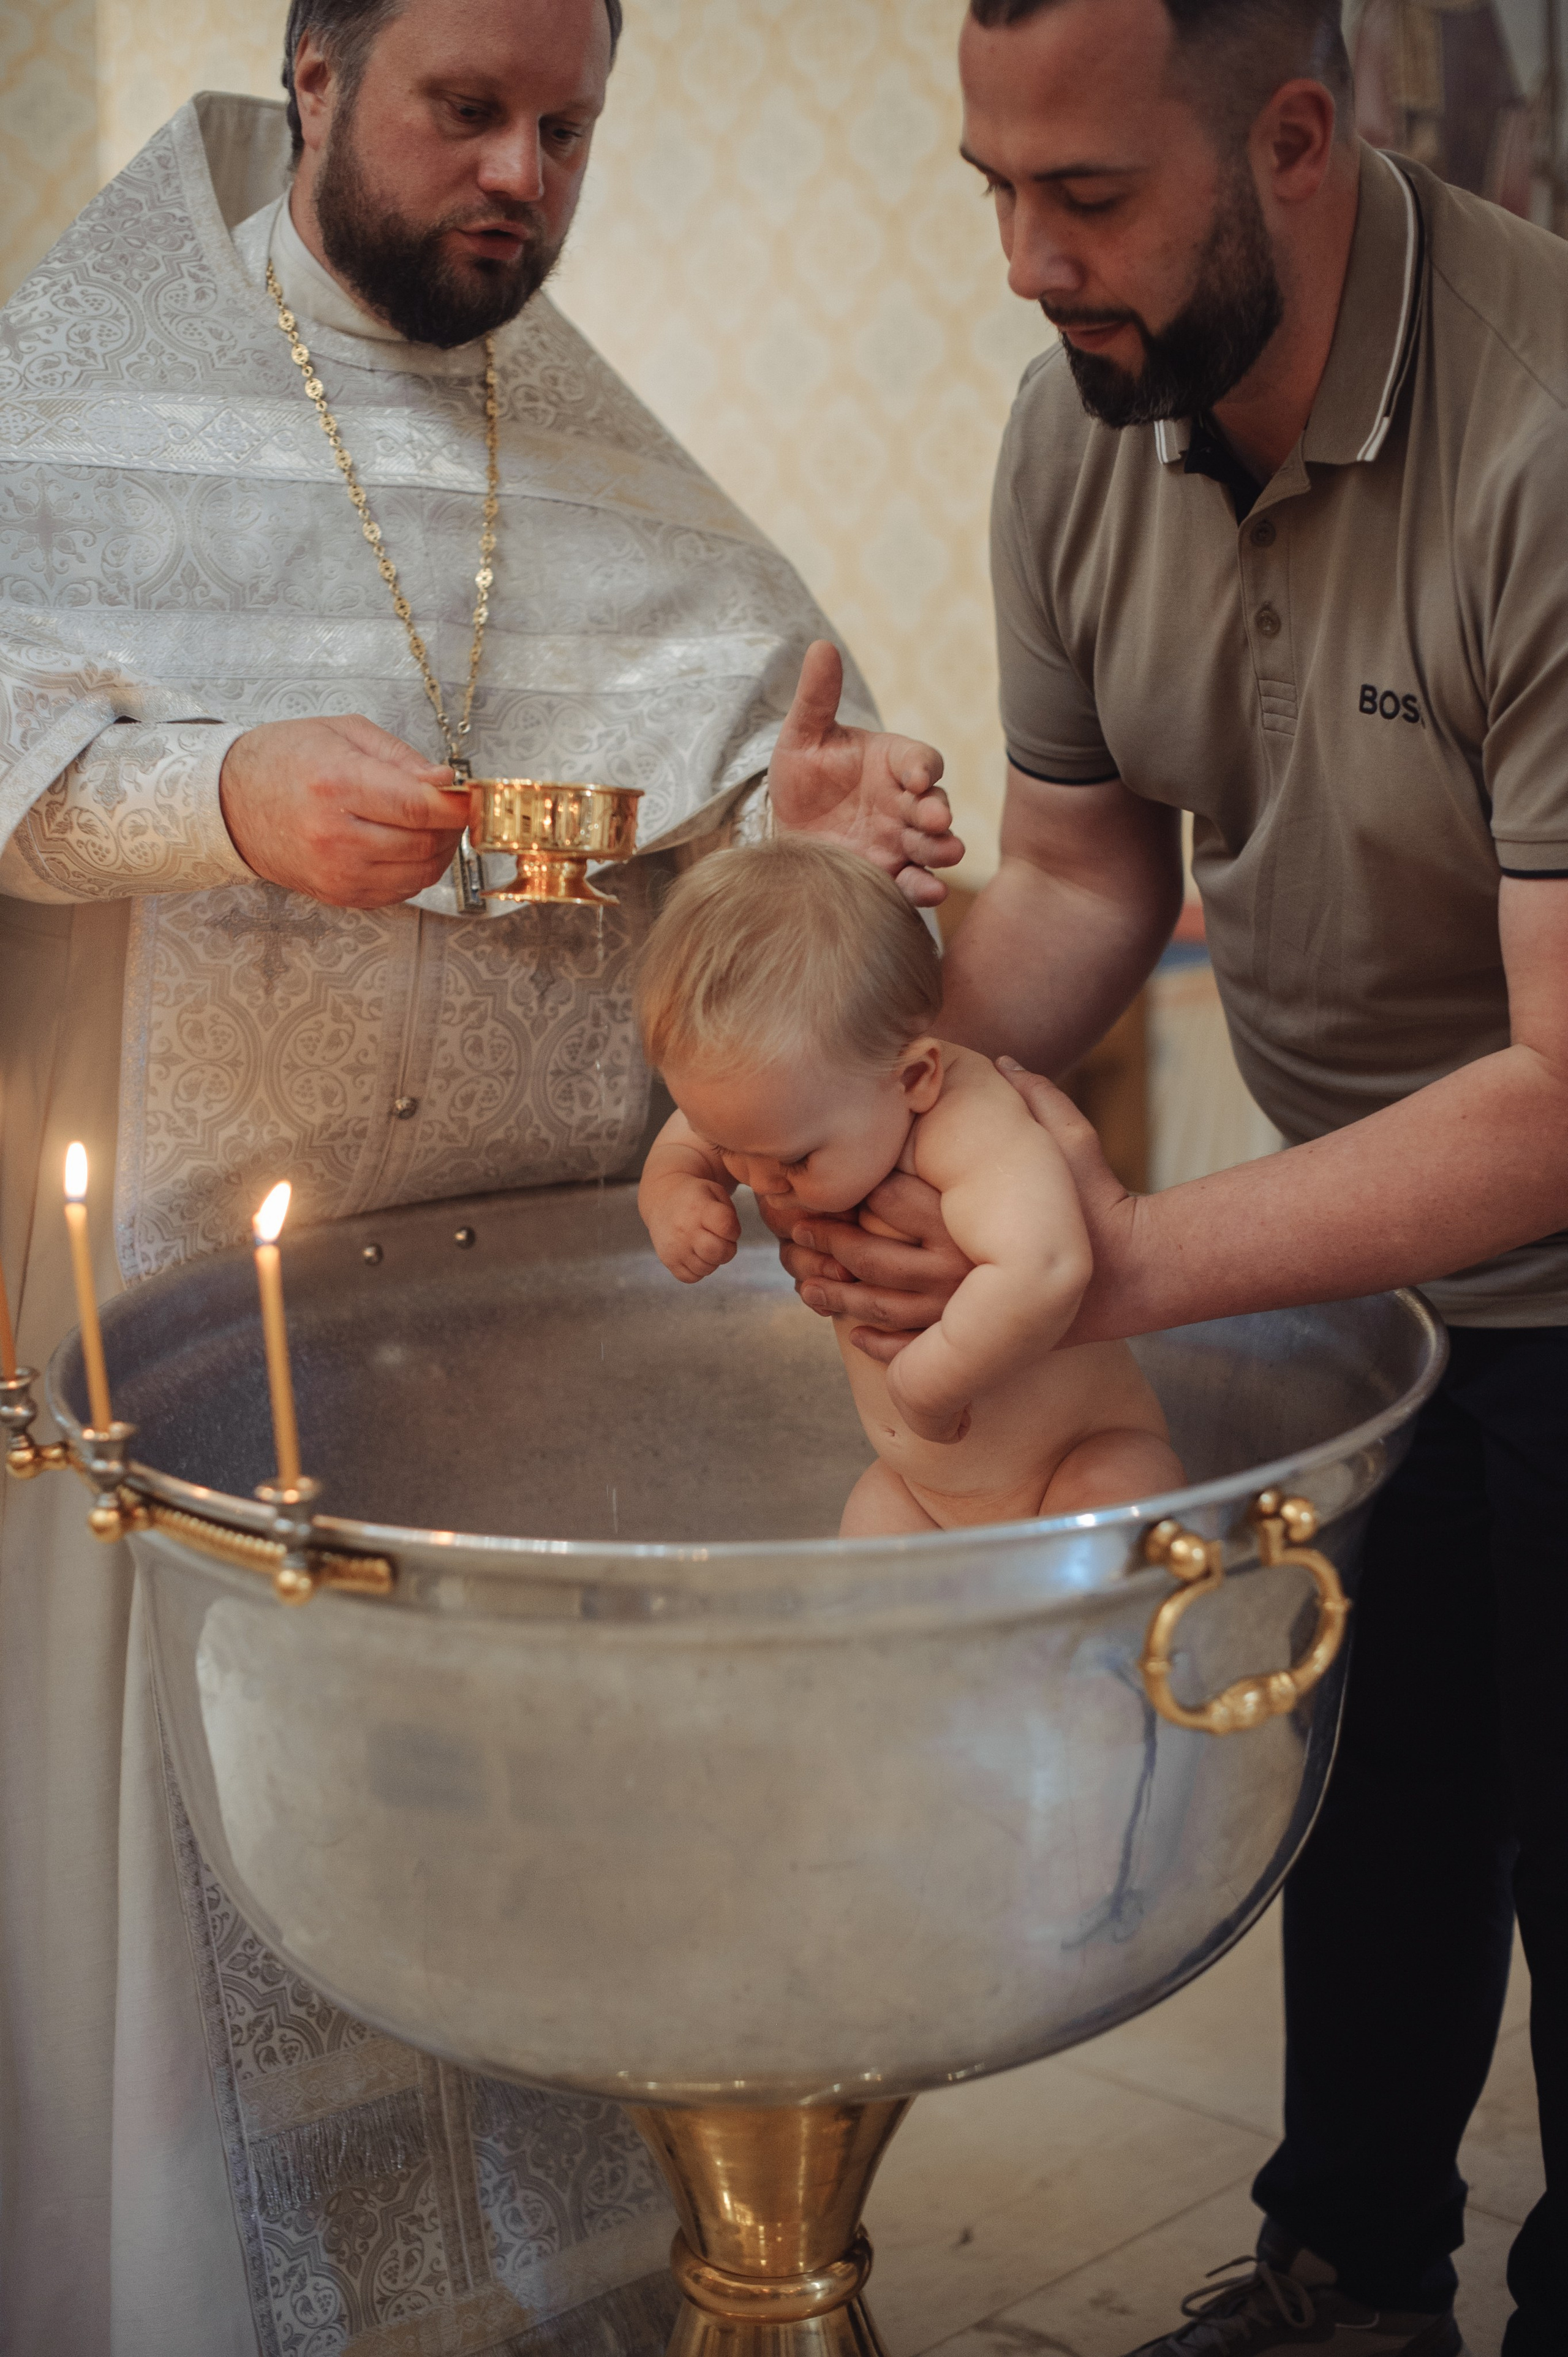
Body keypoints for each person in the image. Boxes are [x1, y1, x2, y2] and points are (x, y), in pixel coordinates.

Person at [0, 1, 960, 2347]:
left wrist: (796, 854)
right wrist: (212, 792)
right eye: (466, 108)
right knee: (230, 1941)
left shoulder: (605, 458)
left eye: (567, 125)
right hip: (205, 1337)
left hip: (539, 1339)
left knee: (539, 1897)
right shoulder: (85, 381)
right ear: (317, 81)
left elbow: (719, 847)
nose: (521, 169)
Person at [774, 1, 1568, 2351]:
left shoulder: (1541, 433)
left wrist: (1120, 1259)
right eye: (989, 189)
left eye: (1087, 196)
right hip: (1371, 1264)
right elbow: (1086, 891)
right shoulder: (1079, 419)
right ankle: (1347, 2277)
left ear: (1296, 142)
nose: (1023, 260)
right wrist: (858, 1005)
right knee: (1373, 1780)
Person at [636, 838, 1181, 1534]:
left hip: (1073, 1463)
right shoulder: (785, 1102)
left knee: (1114, 1519)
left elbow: (1046, 1265)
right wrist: (675, 1193)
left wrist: (931, 1382)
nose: (755, 1179)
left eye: (794, 1160)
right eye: (726, 1149)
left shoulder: (967, 1122)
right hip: (921, 1490)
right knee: (866, 1603)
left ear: (914, 1079)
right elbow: (681, 1145)